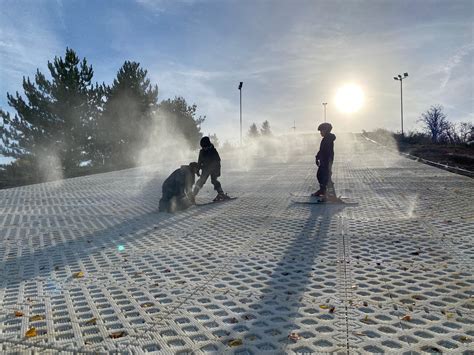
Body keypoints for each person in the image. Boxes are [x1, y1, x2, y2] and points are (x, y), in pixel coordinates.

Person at [192, 136, 229, 202]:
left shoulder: (213, 151)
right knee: (201, 181)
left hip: (214, 169)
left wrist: (217, 172)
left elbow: (218, 162)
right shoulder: (202, 152)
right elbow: (199, 162)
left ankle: (221, 194)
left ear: (208, 145)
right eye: (203, 147)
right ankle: (193, 195)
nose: (204, 148)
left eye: (205, 147)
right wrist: (198, 170)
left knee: (214, 180)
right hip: (205, 169)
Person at [313, 122, 336, 198]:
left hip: (327, 160)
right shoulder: (325, 139)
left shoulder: (328, 139)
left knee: (326, 176)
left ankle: (331, 194)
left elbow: (327, 151)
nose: (320, 133)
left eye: (321, 131)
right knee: (320, 175)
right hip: (323, 160)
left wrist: (327, 161)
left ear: (326, 130)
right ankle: (323, 190)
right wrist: (317, 157)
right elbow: (321, 150)